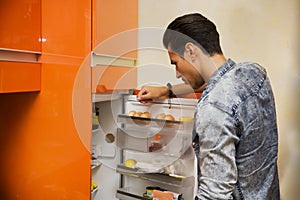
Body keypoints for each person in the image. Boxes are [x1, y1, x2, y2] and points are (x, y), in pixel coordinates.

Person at [137, 13, 280, 199]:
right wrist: (167, 90)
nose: (177, 74)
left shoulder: (214, 108)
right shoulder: (254, 73)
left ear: (190, 51)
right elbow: (217, 81)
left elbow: (215, 196)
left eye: (176, 63)